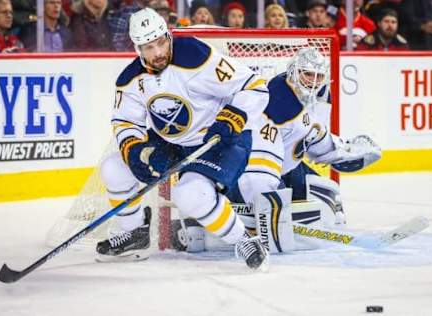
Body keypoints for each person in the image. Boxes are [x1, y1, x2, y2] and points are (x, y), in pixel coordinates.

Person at [97, 8, 275, 269]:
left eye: (160, 42)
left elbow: (255, 87)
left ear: (168, 36)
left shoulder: (195, 56)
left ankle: (244, 240)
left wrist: (231, 118)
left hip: (220, 139)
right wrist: (135, 151)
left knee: (189, 194)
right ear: (137, 49)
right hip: (172, 143)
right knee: (113, 168)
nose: (157, 52)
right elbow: (126, 122)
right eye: (148, 47)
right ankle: (135, 233)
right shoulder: (130, 80)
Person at [173, 47, 382, 254]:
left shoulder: (317, 99)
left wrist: (343, 151)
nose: (313, 81)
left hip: (285, 166)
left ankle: (242, 223)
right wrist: (270, 205)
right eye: (308, 74)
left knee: (328, 192)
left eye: (319, 76)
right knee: (273, 207)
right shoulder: (278, 99)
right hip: (250, 170)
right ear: (294, 71)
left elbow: (314, 142)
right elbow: (299, 139)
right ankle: (216, 230)